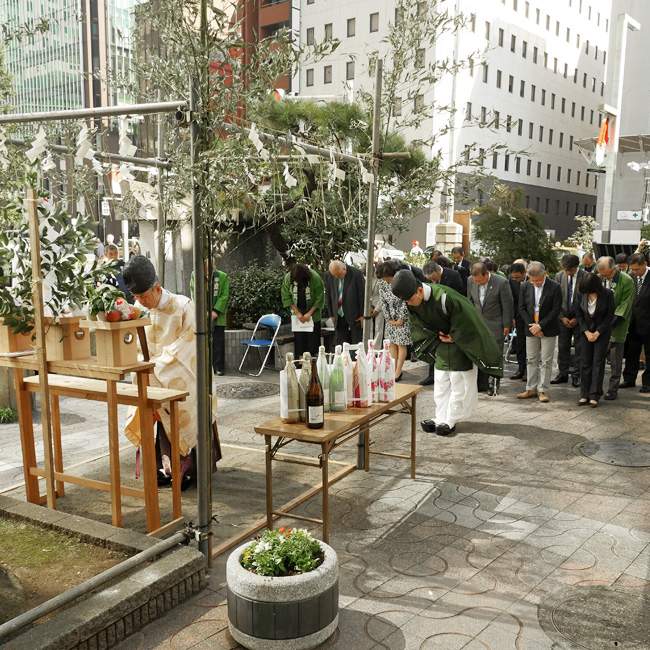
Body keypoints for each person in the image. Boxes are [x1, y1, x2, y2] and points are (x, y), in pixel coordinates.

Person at [122, 255, 219, 490]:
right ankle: (164, 468)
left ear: (157, 288)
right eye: (136, 297)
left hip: (179, 377)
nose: (141, 302)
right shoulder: (138, 311)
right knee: (155, 418)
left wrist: (157, 366)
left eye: (144, 296)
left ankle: (189, 469)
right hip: (151, 375)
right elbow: (132, 344)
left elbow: (188, 347)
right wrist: (140, 366)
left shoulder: (183, 306)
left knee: (182, 415)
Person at [391, 269, 502, 436]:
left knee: (458, 382)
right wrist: (439, 336)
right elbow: (418, 325)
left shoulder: (445, 297)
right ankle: (439, 416)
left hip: (461, 344)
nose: (409, 303)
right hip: (441, 343)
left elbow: (470, 320)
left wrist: (454, 335)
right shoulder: (412, 302)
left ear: (420, 290)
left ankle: (451, 419)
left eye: (410, 299)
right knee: (441, 381)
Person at [517, 261, 562, 403]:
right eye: (533, 280)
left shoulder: (554, 287)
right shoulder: (525, 286)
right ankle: (530, 388)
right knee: (531, 359)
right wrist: (532, 326)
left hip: (548, 327)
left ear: (545, 274)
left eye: (538, 280)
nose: (535, 283)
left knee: (547, 360)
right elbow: (521, 307)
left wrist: (540, 325)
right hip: (530, 327)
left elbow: (556, 309)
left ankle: (543, 390)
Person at [467, 262, 513, 396]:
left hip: (496, 324)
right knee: (478, 354)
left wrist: (507, 325)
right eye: (476, 281)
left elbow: (507, 305)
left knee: (494, 355)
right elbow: (469, 302)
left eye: (481, 280)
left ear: (487, 273)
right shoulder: (470, 281)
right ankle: (480, 383)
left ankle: (493, 385)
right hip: (477, 324)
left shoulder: (501, 282)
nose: (478, 283)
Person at [418, 261, 464, 386]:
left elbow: (459, 296)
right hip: (432, 317)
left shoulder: (453, 275)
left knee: (447, 346)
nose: (432, 281)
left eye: (433, 278)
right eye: (429, 279)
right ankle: (432, 375)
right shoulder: (424, 277)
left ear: (439, 270)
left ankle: (450, 376)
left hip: (448, 317)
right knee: (433, 345)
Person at [573, 273, 615, 407]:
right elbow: (578, 314)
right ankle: (584, 394)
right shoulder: (580, 293)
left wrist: (597, 333)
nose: (588, 293)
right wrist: (587, 332)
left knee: (598, 362)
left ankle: (595, 394)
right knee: (585, 362)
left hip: (601, 332)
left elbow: (609, 317)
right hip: (585, 332)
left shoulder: (608, 294)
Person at [596, 256, 633, 400]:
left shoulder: (626, 280)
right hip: (600, 326)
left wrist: (608, 324)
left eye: (607, 274)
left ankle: (613, 389)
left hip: (617, 325)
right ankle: (596, 387)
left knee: (615, 361)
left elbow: (625, 305)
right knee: (598, 359)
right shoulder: (600, 279)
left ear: (614, 269)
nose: (605, 277)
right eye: (602, 275)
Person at [190, 259, 229, 376]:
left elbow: (224, 295)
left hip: (218, 316)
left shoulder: (222, 276)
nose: (207, 272)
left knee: (218, 343)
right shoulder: (195, 275)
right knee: (202, 342)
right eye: (205, 269)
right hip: (202, 315)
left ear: (214, 266)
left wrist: (215, 312)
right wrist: (203, 311)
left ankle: (219, 367)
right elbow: (193, 293)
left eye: (210, 269)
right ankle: (205, 367)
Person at [552, 254, 586, 387]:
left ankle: (577, 375)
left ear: (576, 267)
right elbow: (556, 299)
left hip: (579, 317)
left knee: (579, 347)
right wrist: (561, 316)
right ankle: (563, 373)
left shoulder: (585, 276)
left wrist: (578, 318)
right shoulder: (559, 276)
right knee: (562, 346)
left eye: (571, 270)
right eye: (566, 270)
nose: (568, 273)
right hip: (564, 317)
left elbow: (587, 299)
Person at [375, 262, 412, 381]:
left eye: (387, 278)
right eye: (383, 278)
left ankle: (399, 370)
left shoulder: (401, 280)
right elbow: (383, 300)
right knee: (392, 343)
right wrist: (389, 318)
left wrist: (402, 318)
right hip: (390, 315)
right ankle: (392, 367)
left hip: (402, 315)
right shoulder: (382, 283)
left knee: (401, 343)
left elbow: (406, 299)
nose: (385, 280)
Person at [620, 252, 650, 392]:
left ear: (645, 264)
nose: (634, 272)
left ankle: (647, 382)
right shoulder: (630, 278)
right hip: (632, 323)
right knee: (632, 352)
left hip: (648, 324)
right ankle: (628, 379)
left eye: (637, 269)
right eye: (632, 269)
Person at [281, 262, 324, 359]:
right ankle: (300, 364)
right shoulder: (289, 277)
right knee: (299, 341)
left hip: (313, 314)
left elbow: (319, 297)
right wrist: (297, 312)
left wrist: (310, 312)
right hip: (298, 315)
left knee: (312, 341)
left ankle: (312, 365)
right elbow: (286, 295)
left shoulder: (315, 277)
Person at [324, 260, 365, 347]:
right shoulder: (328, 275)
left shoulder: (356, 273)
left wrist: (362, 314)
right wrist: (331, 313)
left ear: (344, 269)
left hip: (354, 313)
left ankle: (355, 359)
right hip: (338, 314)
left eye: (338, 275)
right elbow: (328, 294)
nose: (336, 277)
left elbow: (362, 295)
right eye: (334, 276)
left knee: (357, 343)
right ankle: (342, 360)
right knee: (340, 342)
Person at [509, 262, 527, 380]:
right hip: (520, 316)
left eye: (519, 277)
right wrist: (513, 317)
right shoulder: (512, 282)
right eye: (514, 278)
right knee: (520, 344)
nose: (517, 280)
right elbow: (513, 300)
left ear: (524, 273)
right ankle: (521, 368)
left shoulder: (533, 279)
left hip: (533, 317)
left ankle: (529, 371)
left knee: (531, 345)